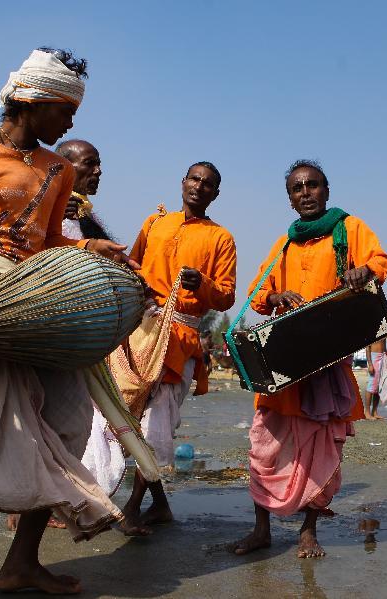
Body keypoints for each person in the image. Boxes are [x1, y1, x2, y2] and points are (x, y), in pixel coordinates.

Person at [0, 48, 137, 597]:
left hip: (45, 303)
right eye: (65, 108)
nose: (71, 121)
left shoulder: (58, 170)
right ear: (32, 101)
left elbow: (49, 241)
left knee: (65, 426)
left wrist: (90, 247)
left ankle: (21, 563)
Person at [230, 159, 387, 558]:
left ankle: (308, 531)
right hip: (283, 365)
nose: (305, 193)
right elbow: (258, 289)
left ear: (326, 190)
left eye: (312, 185)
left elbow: (381, 262)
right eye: (297, 188)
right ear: (289, 198)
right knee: (263, 447)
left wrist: (362, 272)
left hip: (326, 361)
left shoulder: (350, 228)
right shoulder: (283, 244)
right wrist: (274, 297)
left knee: (321, 449)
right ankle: (261, 529)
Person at [108, 161, 236, 533]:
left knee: (154, 426)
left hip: (180, 340)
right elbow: (132, 264)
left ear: (216, 193)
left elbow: (226, 297)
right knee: (125, 417)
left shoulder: (221, 238)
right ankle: (160, 505)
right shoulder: (154, 222)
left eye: (208, 183)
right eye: (194, 178)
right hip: (139, 331)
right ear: (183, 182)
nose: (199, 186)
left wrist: (203, 284)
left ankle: (132, 508)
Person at [56, 139, 113, 242]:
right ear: (63, 168)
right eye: (89, 163)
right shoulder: (45, 209)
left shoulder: (87, 214)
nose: (98, 171)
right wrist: (55, 216)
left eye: (98, 164)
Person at [364, 339, 387, 420]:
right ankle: (367, 412)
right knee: (371, 386)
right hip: (374, 356)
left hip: (382, 356)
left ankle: (374, 411)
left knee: (379, 386)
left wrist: (386, 362)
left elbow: (384, 346)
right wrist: (370, 364)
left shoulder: (383, 329)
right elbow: (368, 348)